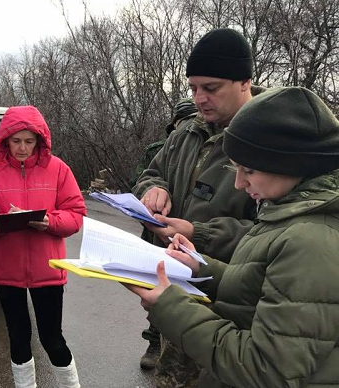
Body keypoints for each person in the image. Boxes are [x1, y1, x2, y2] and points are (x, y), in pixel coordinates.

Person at [126, 86, 339, 388]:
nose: (239, 183)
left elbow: (266, 370)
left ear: (291, 162)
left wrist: (170, 307)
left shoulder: (311, 240)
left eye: (248, 170)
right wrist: (202, 269)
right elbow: (263, 285)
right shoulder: (289, 209)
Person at [132, 28, 263, 385]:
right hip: (178, 287)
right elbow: (150, 172)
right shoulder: (185, 132)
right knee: (173, 377)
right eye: (192, 88)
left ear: (244, 81)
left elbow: (277, 232)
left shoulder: (269, 139)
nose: (199, 98)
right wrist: (153, 189)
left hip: (235, 303)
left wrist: (197, 232)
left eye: (210, 87)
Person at [0, 106, 86, 388]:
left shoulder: (58, 169)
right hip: (6, 268)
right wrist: (4, 222)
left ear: (39, 140)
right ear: (5, 141)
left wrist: (49, 221)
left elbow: (76, 215)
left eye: (29, 141)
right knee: (18, 338)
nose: (22, 148)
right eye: (16, 141)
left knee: (52, 339)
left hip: (47, 268)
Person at [142, 97, 198, 171]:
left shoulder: (207, 146)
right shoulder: (155, 151)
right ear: (175, 123)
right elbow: (141, 179)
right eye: (183, 120)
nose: (187, 124)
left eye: (191, 119)